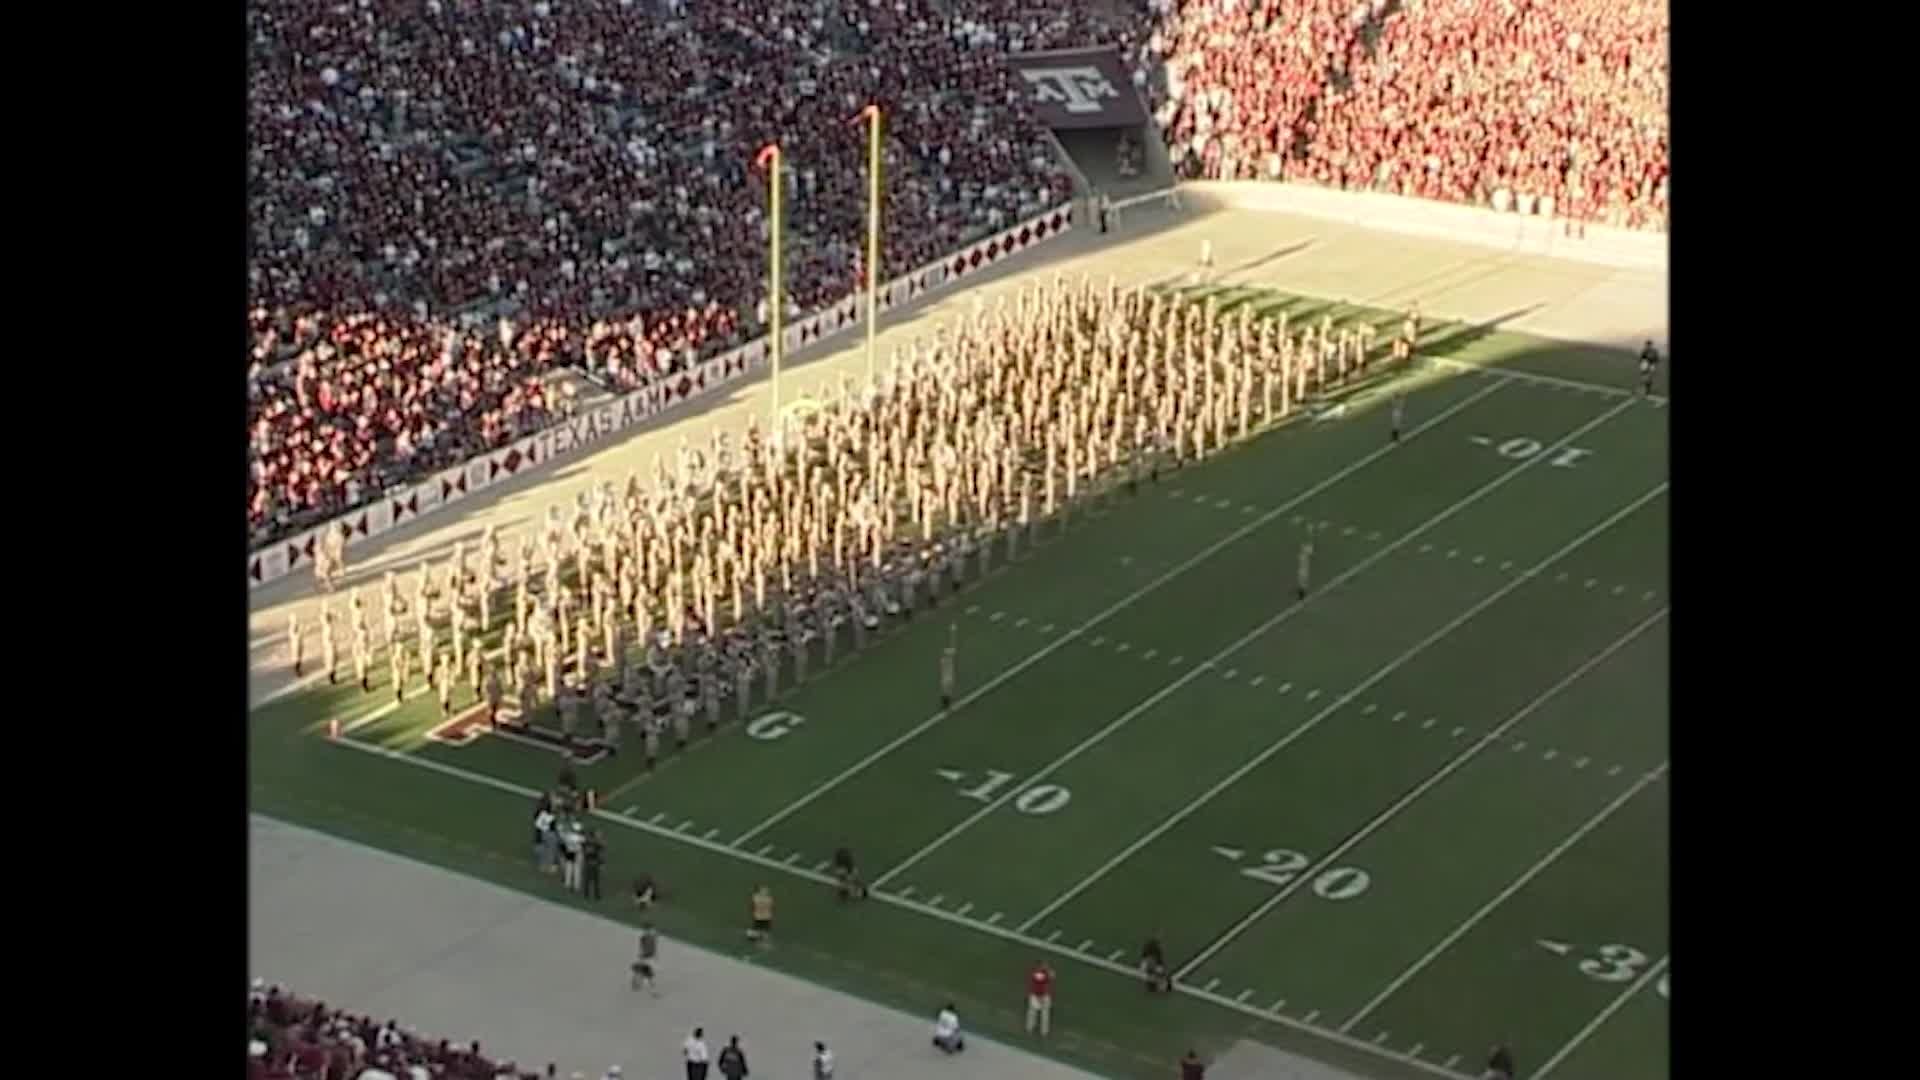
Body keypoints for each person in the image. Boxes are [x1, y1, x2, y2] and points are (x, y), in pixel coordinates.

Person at [1025, 959, 1054, 1037]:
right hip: (1037, 995)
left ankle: (1043, 1032)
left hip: (1044, 995)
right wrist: (1039, 997)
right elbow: (1040, 984)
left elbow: (1051, 976)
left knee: (1044, 1015)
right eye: (1044, 965)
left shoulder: (1044, 972)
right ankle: (1030, 1028)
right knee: (1032, 1013)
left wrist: (1047, 970)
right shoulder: (1037, 974)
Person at [632, 923, 659, 996]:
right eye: (651, 929)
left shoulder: (653, 936)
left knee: (647, 974)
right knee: (649, 975)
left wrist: (655, 955)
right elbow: (642, 948)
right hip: (646, 958)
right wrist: (641, 957)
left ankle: (636, 981)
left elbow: (654, 947)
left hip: (650, 957)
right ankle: (653, 991)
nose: (653, 930)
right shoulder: (644, 938)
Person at [1296, 536, 1313, 602]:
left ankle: (1302, 595)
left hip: (1304, 569)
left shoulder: (1305, 555)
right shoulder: (1304, 554)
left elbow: (1309, 550)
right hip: (1302, 569)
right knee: (1301, 582)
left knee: (1302, 582)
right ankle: (1302, 593)